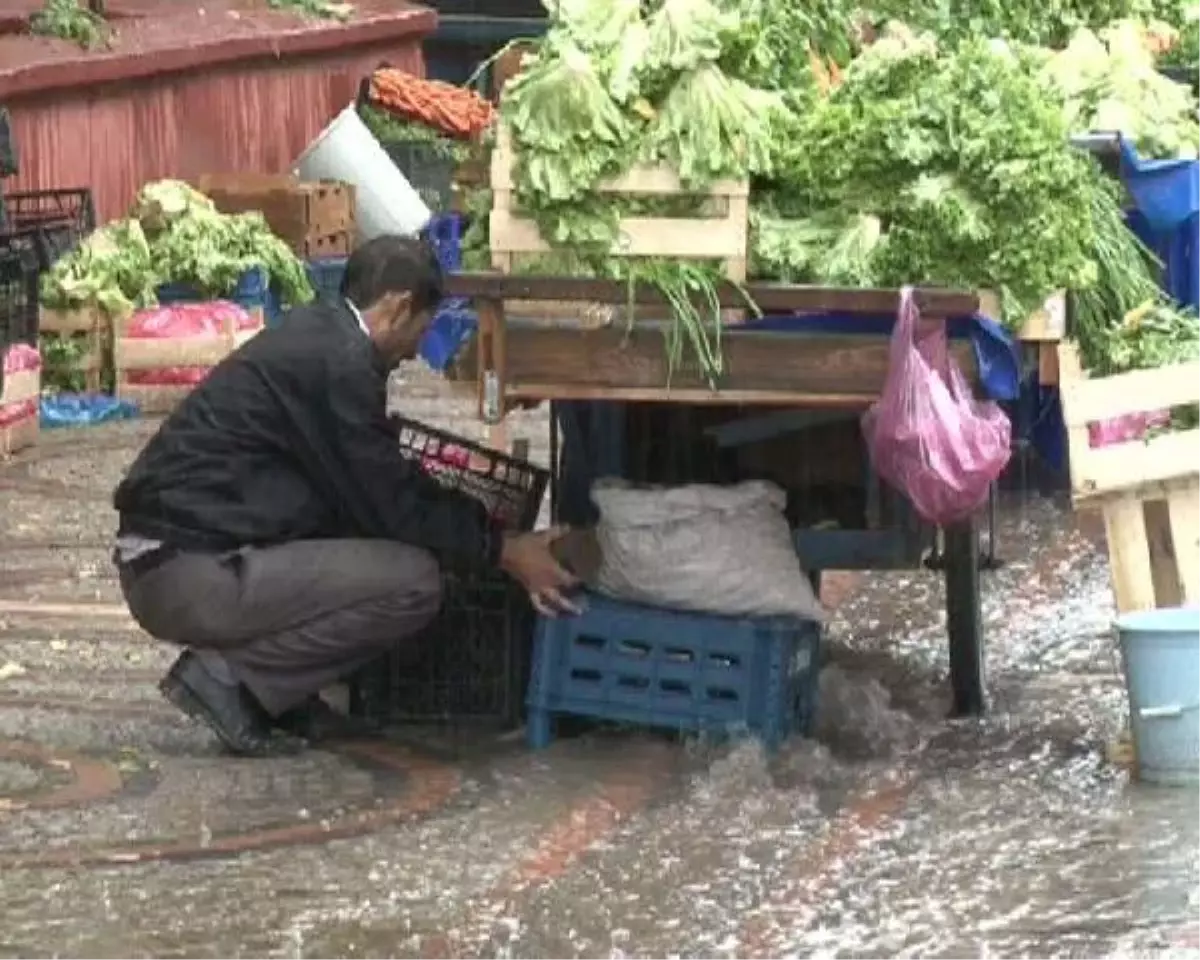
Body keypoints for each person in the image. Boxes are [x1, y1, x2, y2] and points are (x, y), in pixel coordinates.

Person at [112, 235, 578, 757]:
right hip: (182, 571)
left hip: (171, 557)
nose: (413, 353)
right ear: (399, 308)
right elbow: (392, 502)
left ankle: (278, 692)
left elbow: (372, 484)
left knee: (365, 543)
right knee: (413, 583)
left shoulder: (320, 333)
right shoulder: (340, 363)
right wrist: (504, 549)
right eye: (421, 333)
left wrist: (479, 530)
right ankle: (232, 682)